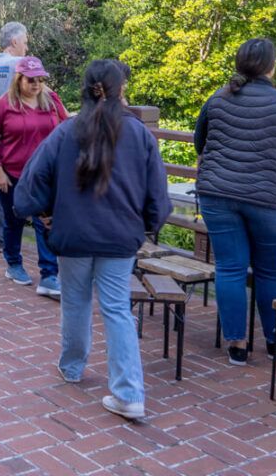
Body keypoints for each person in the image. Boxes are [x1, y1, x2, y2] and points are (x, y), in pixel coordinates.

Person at [15, 59, 172, 421]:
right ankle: (129, 393)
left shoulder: (66, 130)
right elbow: (157, 197)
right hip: (120, 236)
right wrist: (146, 224)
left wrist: (41, 213)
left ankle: (72, 367)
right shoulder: (139, 134)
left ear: (85, 89)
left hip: (73, 233)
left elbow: (31, 182)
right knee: (117, 310)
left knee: (75, 302)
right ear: (122, 90)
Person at [194, 38, 276, 366]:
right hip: (269, 199)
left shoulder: (216, 100)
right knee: (271, 271)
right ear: (271, 67)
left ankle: (236, 345)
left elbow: (198, 143)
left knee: (230, 269)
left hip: (218, 195)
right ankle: (275, 343)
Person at [0, 56, 67, 296]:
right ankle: (13, 263)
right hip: (13, 173)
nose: (36, 84)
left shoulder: (51, 101)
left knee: (46, 222)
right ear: (19, 79)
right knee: (14, 220)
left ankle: (49, 274)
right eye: (31, 79)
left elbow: (66, 126)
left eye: (40, 79)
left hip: (45, 174)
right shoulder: (4, 104)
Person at [0, 22, 30, 252]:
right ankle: (10, 235)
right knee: (21, 181)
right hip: (18, 132)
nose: (26, 46)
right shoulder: (22, 65)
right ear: (14, 42)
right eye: (25, 41)